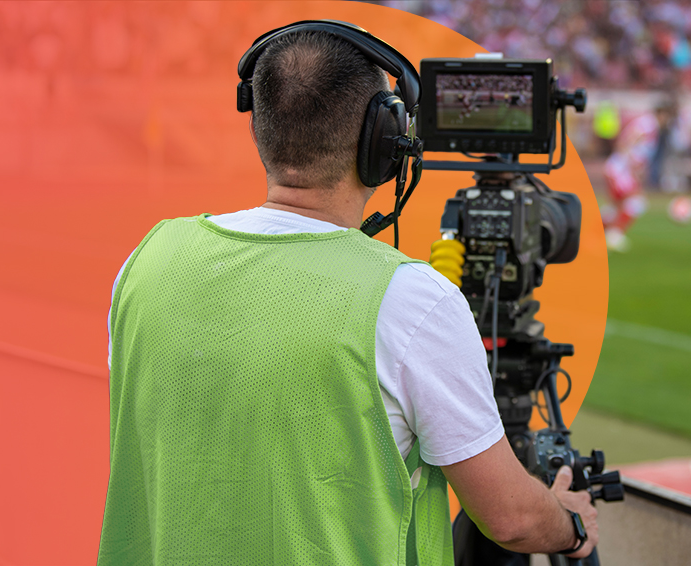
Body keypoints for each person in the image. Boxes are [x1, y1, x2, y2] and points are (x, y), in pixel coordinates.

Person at [98, 22, 598, 565]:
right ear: (385, 141)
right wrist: (571, 524)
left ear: (260, 127)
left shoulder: (146, 261)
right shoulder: (411, 302)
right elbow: (513, 520)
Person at [602, 101, 676, 252]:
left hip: (620, 169)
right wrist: (631, 163)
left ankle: (597, 233)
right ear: (663, 114)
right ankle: (614, 234)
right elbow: (627, 141)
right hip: (620, 170)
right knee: (636, 202)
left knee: (616, 206)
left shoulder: (651, 126)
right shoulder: (648, 124)